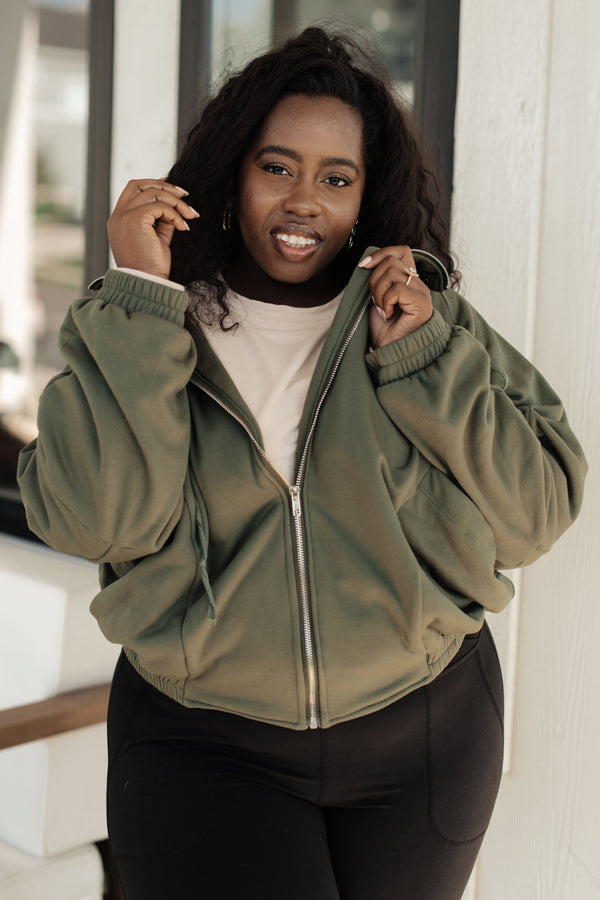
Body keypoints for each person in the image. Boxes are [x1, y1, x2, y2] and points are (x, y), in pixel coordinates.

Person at [17, 26, 586, 900]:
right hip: (201, 743)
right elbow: (94, 520)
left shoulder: (418, 320)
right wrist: (143, 293)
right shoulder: (149, 322)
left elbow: (535, 512)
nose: (303, 201)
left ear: (366, 192)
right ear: (231, 172)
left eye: (336, 177)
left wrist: (424, 360)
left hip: (425, 735)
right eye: (277, 167)